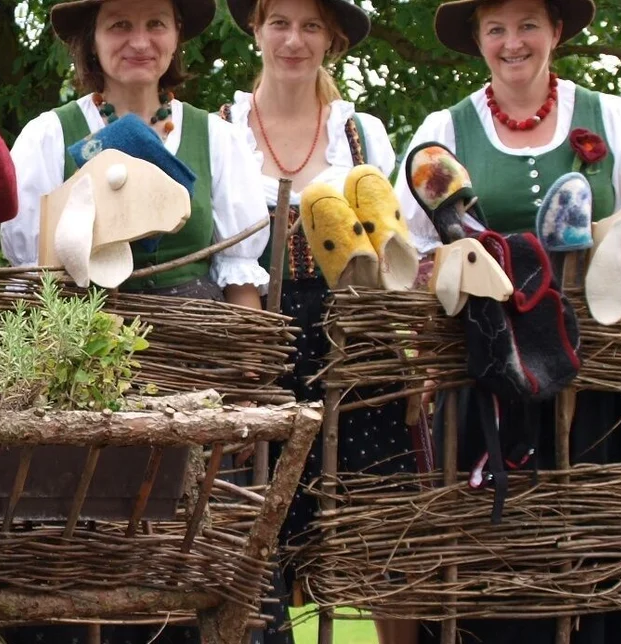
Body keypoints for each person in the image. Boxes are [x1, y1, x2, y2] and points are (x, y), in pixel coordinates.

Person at [391, 1, 621, 643]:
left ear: (555, 32)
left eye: (527, 25)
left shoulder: (614, 119)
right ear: (478, 39)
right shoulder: (445, 132)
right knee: (496, 559)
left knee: (604, 548)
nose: (512, 42)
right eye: (496, 28)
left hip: (599, 376)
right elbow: (414, 256)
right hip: (487, 375)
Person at [219, 1, 418, 641]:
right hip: (260, 336)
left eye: (310, 26)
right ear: (255, 29)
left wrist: (412, 356)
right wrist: (244, 364)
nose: (293, 40)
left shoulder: (362, 133)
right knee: (257, 527)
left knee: (382, 528)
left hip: (358, 340)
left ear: (331, 39)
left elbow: (394, 250)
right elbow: (228, 258)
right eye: (279, 22)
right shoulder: (222, 131)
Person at [1, 0, 270, 310]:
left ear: (176, 34)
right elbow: (33, 286)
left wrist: (245, 357)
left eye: (156, 24)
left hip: (197, 344)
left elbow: (241, 281)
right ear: (92, 39)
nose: (140, 43)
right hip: (85, 347)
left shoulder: (217, 138)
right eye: (120, 25)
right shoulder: (48, 137)